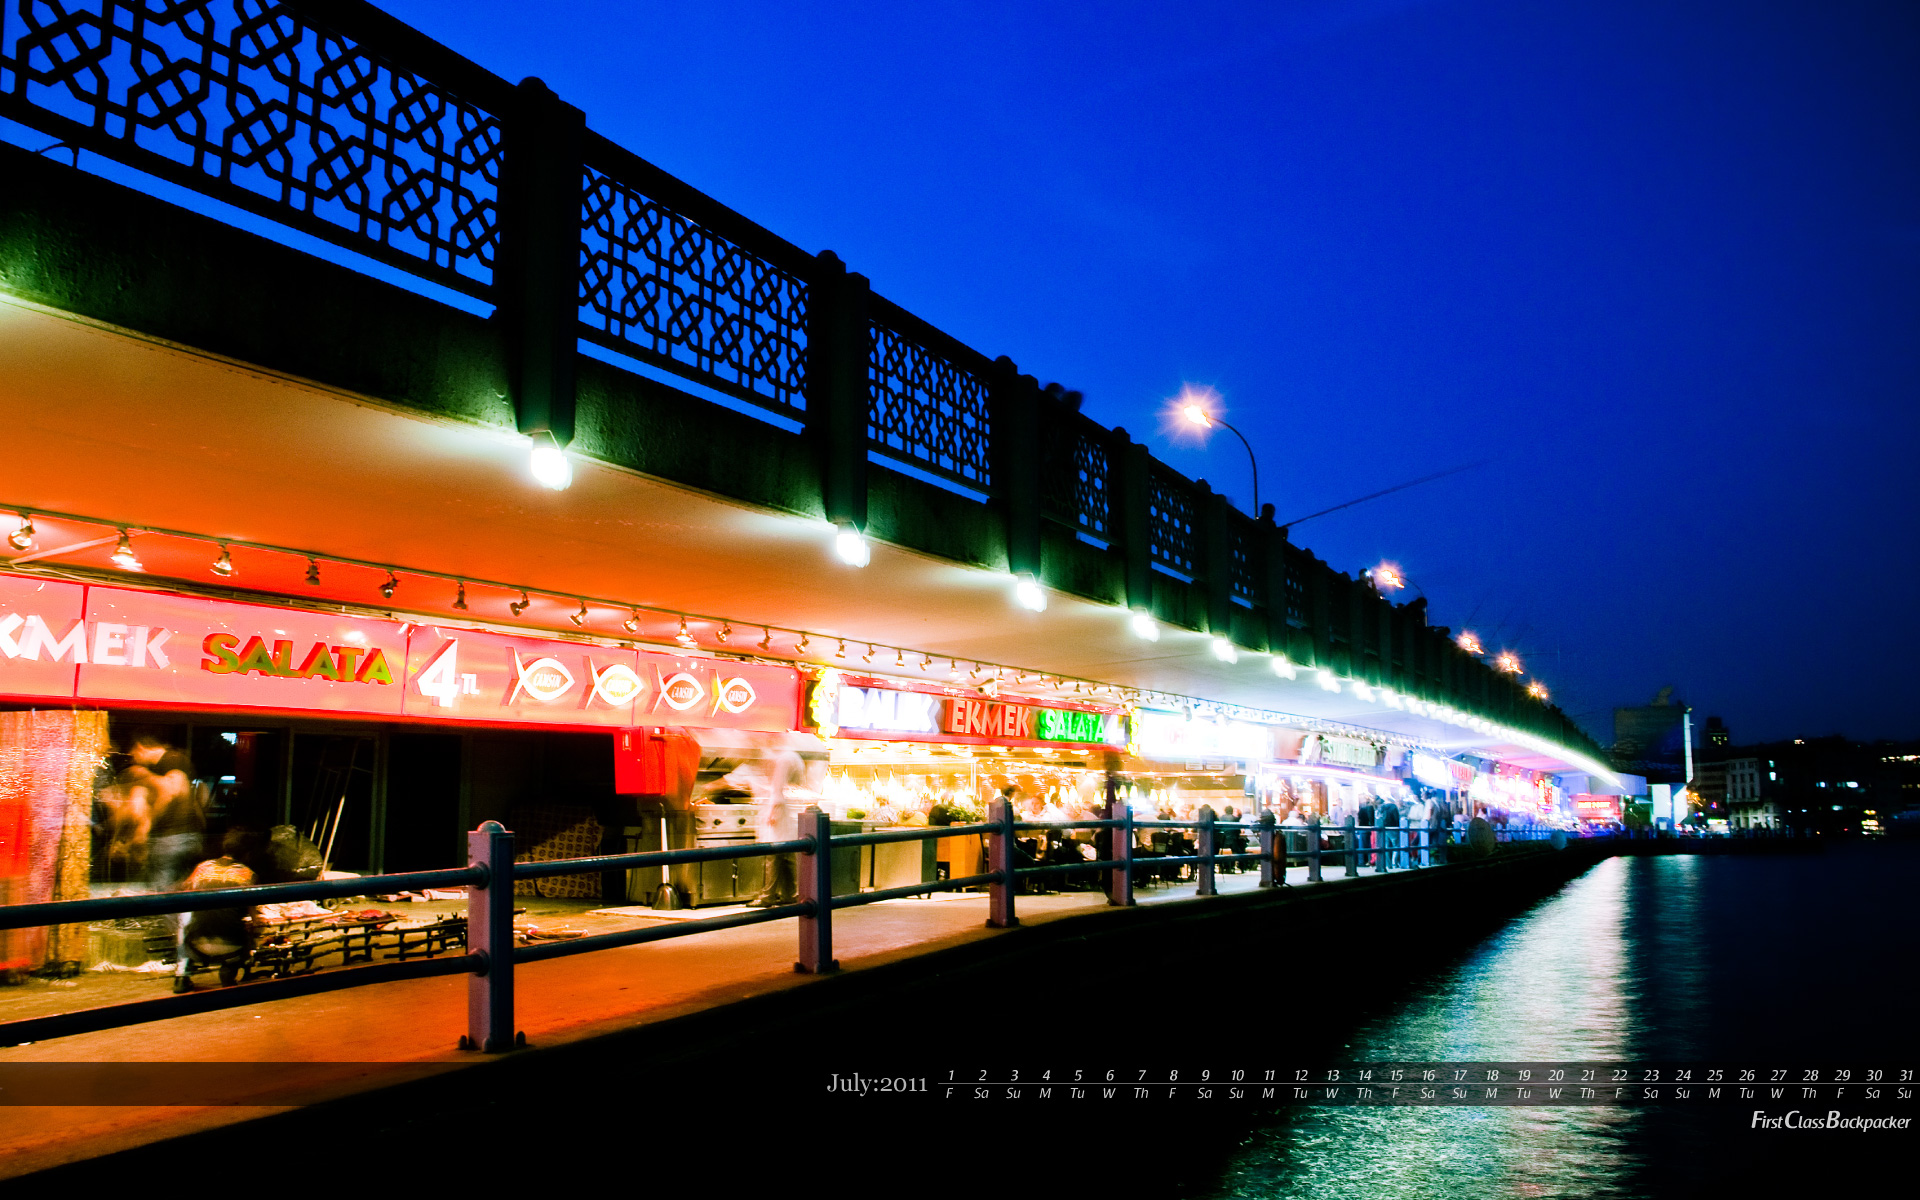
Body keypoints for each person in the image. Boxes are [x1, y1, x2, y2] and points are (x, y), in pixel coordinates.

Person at [174, 827, 260, 992]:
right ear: (247, 854)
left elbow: (183, 892)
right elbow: (254, 916)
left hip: (196, 945)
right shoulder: (247, 874)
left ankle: (181, 974)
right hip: (231, 946)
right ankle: (230, 969)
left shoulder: (203, 867)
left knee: (184, 920)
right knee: (250, 930)